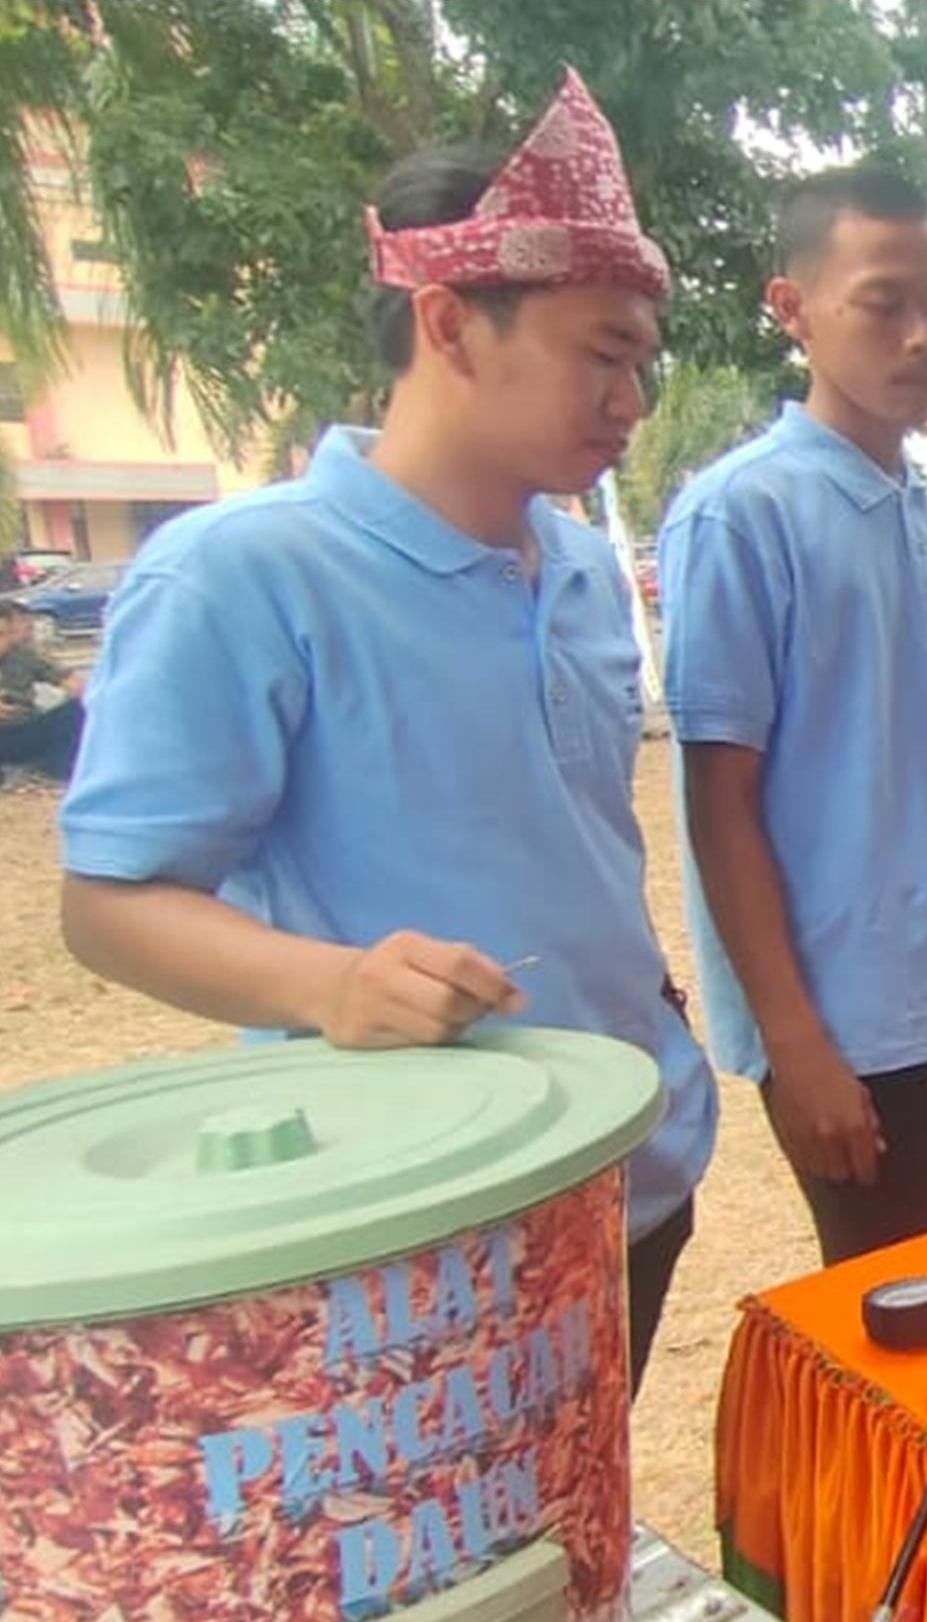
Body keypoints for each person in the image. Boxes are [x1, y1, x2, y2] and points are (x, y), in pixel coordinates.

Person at [54, 71, 717, 1394]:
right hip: (421, 1221)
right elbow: (109, 901)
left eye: (641, 360)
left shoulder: (582, 574)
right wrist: (331, 986)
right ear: (450, 325)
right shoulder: (243, 577)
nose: (633, 399)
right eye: (602, 354)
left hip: (630, 1168)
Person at [661, 168, 927, 1265]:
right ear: (791, 307)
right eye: (884, 302)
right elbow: (719, 804)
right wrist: (794, 1044)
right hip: (847, 1025)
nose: (924, 335)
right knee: (887, 1313)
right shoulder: (745, 514)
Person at [0, 602, 84, 780]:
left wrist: (75, 692)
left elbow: (74, 683)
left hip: (23, 727)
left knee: (79, 709)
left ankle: (44, 770)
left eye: (4, 635)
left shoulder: (22, 655)